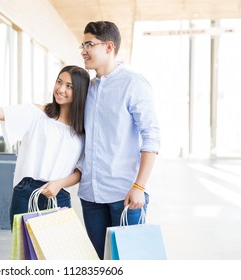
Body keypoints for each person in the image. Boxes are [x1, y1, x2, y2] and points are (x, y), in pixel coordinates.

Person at [0, 62, 90, 228]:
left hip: (59, 195)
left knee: (56, 251)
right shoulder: (36, 114)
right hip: (27, 193)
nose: (61, 89)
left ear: (80, 92)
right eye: (59, 82)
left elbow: (80, 170)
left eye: (69, 86)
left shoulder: (83, 130)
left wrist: (59, 184)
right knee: (25, 252)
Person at [78, 21, 161, 259]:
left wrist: (139, 187)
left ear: (109, 46)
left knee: (131, 262)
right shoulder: (88, 88)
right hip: (90, 195)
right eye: (82, 44)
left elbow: (151, 137)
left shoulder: (133, 84)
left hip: (125, 195)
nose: (83, 50)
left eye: (89, 44)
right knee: (100, 260)